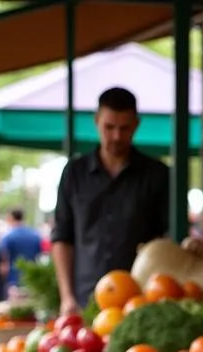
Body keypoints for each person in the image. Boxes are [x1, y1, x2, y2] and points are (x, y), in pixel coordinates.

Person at [51, 87, 170, 314]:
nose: (116, 136)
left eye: (124, 128)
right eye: (109, 127)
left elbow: (169, 237)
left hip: (142, 301)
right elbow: (62, 237)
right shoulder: (74, 173)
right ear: (96, 121)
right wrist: (66, 297)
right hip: (85, 301)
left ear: (136, 125)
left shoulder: (158, 174)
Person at [2, 208, 42, 289]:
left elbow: (4, 258)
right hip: (31, 279)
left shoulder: (8, 237)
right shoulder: (35, 236)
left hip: (13, 280)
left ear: (11, 217)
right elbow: (39, 255)